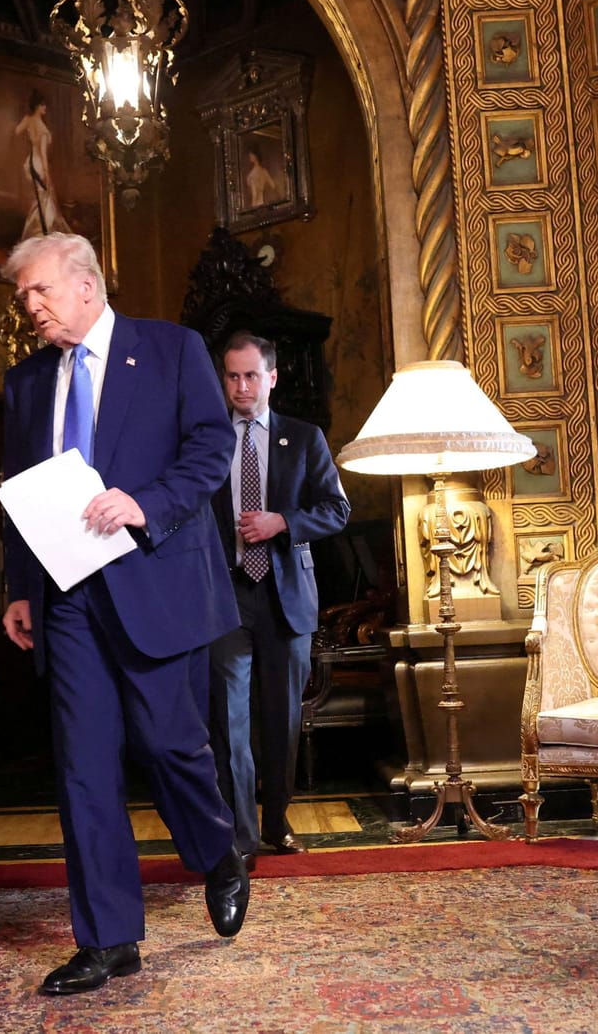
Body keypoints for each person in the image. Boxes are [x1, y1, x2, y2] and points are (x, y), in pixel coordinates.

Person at [0, 232, 249, 997]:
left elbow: (211, 452)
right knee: (84, 767)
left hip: (154, 578)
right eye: (23, 299)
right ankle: (109, 940)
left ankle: (219, 850)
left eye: (39, 292)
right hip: (68, 597)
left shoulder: (172, 351)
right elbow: (17, 490)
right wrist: (18, 586)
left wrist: (147, 506)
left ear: (85, 285)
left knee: (171, 743)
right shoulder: (27, 383)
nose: (30, 308)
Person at [210, 332, 350, 867]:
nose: (241, 387)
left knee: (282, 719)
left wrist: (283, 522)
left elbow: (336, 510)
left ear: (272, 377)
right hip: (224, 596)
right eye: (232, 376)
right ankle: (240, 836)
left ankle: (277, 822)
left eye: (251, 375)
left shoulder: (304, 436)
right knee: (230, 721)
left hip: (285, 594)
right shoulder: (207, 439)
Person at [14, 90, 68, 241]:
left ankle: (36, 233)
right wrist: (48, 176)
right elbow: (43, 156)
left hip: (29, 163)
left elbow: (16, 131)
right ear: (38, 106)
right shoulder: (43, 130)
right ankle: (37, 234)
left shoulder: (28, 120)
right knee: (44, 200)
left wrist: (30, 138)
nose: (45, 108)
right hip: (38, 165)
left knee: (40, 200)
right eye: (43, 105)